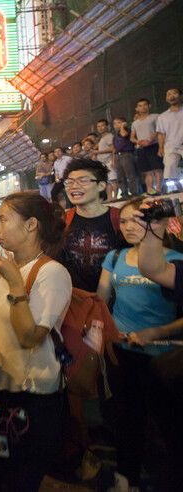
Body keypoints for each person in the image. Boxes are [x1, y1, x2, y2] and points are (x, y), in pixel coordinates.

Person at [0, 192, 72, 491]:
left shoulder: (51, 273)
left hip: (36, 402)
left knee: (18, 482)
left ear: (31, 225)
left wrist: (16, 284)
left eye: (3, 220)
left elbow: (30, 337)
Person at [95, 197, 183, 488]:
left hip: (163, 357)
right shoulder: (116, 257)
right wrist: (106, 333)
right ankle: (127, 476)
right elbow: (101, 300)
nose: (130, 226)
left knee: (167, 421)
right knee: (126, 417)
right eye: (124, 221)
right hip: (122, 351)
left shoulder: (174, 260)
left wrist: (156, 333)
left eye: (139, 219)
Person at [58, 159, 127, 293]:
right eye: (69, 182)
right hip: (75, 300)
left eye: (83, 180)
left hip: (115, 302)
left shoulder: (120, 219)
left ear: (101, 185)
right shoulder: (63, 221)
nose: (73, 186)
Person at [131, 98, 164, 194]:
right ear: (137, 108)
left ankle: (159, 190)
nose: (143, 107)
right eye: (140, 106)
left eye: (145, 105)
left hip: (154, 146)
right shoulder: (135, 123)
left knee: (157, 168)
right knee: (146, 171)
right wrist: (138, 141)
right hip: (141, 149)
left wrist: (149, 140)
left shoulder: (156, 116)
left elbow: (159, 130)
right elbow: (132, 137)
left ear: (149, 106)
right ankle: (150, 190)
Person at [157, 88, 183, 185]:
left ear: (180, 96)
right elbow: (161, 133)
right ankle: (177, 190)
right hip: (170, 144)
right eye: (169, 94)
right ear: (166, 99)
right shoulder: (163, 116)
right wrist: (160, 147)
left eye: (175, 93)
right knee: (169, 167)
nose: (172, 96)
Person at [113, 116, 140, 197]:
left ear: (124, 123)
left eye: (119, 123)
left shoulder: (127, 130)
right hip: (118, 155)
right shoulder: (115, 135)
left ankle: (134, 192)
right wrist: (114, 159)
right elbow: (114, 148)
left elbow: (124, 135)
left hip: (127, 154)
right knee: (120, 176)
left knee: (130, 175)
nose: (116, 125)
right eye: (115, 123)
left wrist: (122, 127)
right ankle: (124, 193)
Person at [92, 119, 117, 201]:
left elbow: (112, 148)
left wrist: (98, 151)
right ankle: (109, 198)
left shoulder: (109, 136)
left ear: (107, 126)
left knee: (113, 180)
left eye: (102, 125)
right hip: (103, 163)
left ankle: (115, 197)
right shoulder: (101, 138)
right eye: (98, 126)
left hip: (109, 161)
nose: (100, 128)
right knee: (107, 182)